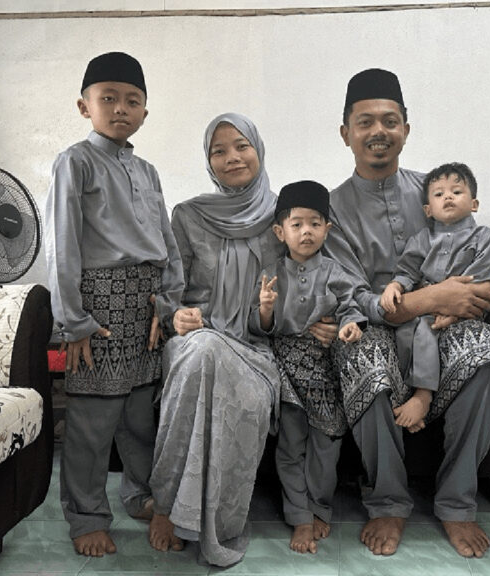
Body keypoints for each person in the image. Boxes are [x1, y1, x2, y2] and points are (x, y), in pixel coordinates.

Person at [325, 68, 490, 559]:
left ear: (406, 129)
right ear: (346, 133)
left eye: (390, 120)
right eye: (365, 122)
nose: (378, 131)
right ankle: (388, 501)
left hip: (443, 327)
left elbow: (478, 253)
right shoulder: (331, 209)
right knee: (362, 359)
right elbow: (351, 296)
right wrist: (433, 297)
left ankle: (457, 502)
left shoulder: (437, 189)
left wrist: (489, 285)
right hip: (376, 324)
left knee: (486, 356)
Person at [43, 51, 184, 558]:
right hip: (97, 309)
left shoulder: (147, 171)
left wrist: (167, 303)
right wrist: (73, 321)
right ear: (84, 106)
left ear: (145, 111)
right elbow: (62, 244)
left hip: (146, 307)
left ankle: (139, 495)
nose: (120, 108)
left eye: (132, 100)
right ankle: (86, 517)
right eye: (108, 98)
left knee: (141, 417)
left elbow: (165, 242)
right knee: (92, 422)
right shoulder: (75, 162)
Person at [148, 113, 300, 567]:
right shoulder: (188, 216)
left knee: (213, 357)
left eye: (241, 146)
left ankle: (209, 518)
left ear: (258, 150)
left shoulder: (285, 217)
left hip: (255, 347)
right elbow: (170, 292)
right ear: (208, 161)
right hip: (195, 339)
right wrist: (175, 315)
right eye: (219, 151)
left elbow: (300, 291)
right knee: (202, 350)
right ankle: (165, 506)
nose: (232, 157)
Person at [252, 179, 368, 554]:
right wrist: (265, 309)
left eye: (315, 224)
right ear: (280, 232)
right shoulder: (269, 273)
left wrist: (350, 325)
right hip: (285, 369)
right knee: (290, 446)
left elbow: (351, 307)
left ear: (327, 229)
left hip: (324, 370)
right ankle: (299, 516)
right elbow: (260, 326)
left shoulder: (335, 272)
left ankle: (319, 507)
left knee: (326, 445)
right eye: (297, 224)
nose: (306, 232)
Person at [380, 162, 490, 433]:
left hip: (465, 308)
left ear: (474, 204)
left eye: (456, 191)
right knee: (405, 332)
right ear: (428, 210)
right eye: (439, 194)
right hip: (427, 305)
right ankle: (409, 397)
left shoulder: (483, 237)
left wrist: (452, 311)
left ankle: (423, 395)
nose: (448, 197)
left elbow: (482, 275)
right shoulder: (422, 239)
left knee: (425, 332)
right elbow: (407, 270)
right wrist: (395, 285)